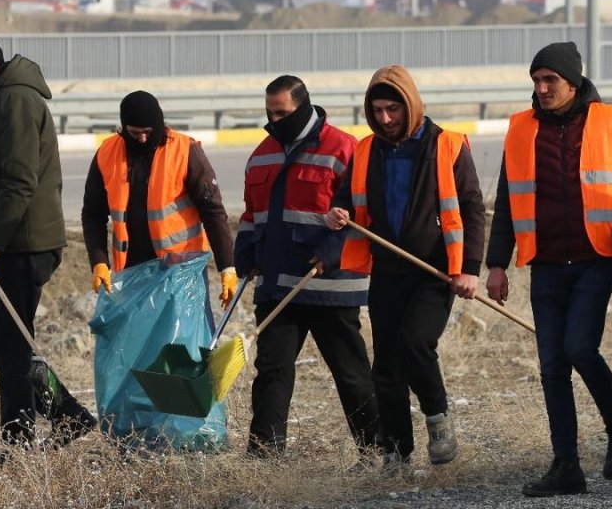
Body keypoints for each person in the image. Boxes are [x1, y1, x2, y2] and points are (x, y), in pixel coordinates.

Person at [485, 41, 612, 496]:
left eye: (550, 81)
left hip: (595, 259)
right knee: (551, 366)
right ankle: (567, 467)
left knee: (580, 348)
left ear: (573, 82)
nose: (541, 89)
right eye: (536, 82)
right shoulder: (521, 130)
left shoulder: (609, 122)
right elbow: (506, 201)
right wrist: (496, 264)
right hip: (546, 265)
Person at [325, 65, 487, 472]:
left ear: (410, 105)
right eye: (377, 110)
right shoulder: (366, 150)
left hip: (434, 271)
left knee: (416, 344)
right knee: (387, 367)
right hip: (387, 271)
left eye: (392, 109)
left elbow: (471, 208)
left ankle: (438, 418)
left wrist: (468, 269)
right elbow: (344, 199)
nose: (385, 119)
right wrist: (337, 214)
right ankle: (396, 451)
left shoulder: (446, 145)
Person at [0, 25, 96, 451]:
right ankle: (67, 415)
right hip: (11, 243)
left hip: (23, 243)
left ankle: (17, 444)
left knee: (12, 346)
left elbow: (19, 181)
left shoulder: (13, 99)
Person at [235, 75, 380, 461]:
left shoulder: (342, 148)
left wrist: (331, 250)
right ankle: (264, 456)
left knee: (350, 374)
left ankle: (379, 451)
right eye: (269, 112)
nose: (274, 118)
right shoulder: (262, 153)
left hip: (330, 284)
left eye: (281, 112)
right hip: (277, 285)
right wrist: (245, 255)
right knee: (271, 371)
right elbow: (252, 215)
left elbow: (362, 211)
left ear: (302, 106)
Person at [81, 90, 237, 331]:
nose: (142, 139)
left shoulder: (185, 151)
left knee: (188, 344)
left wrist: (227, 266)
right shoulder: (106, 153)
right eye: (135, 133)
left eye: (148, 132)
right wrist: (99, 261)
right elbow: (93, 213)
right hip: (132, 271)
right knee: (140, 343)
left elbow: (213, 211)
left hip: (181, 270)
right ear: (123, 128)